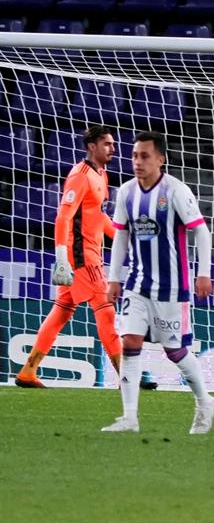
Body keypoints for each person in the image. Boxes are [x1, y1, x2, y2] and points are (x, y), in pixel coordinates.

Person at [101, 131, 214, 433]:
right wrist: (114, 278)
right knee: (129, 343)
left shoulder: (176, 191)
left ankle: (205, 400)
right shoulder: (126, 192)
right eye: (134, 156)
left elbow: (201, 232)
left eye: (144, 156)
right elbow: (121, 237)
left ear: (161, 159)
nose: (137, 162)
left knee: (175, 352)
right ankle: (129, 417)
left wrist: (203, 273)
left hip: (171, 288)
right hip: (137, 284)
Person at [15, 126, 123, 388]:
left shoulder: (102, 174)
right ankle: (127, 376)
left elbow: (99, 216)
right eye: (107, 144)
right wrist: (61, 257)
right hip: (80, 256)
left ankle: (28, 371)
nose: (112, 148)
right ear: (91, 146)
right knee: (106, 311)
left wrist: (123, 238)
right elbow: (63, 216)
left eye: (113, 144)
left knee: (62, 311)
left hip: (91, 252)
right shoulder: (80, 176)